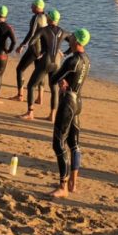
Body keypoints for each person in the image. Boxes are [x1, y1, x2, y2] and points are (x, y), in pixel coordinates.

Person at [48, 29, 91, 199]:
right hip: (78, 101)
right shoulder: (87, 60)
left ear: (76, 41)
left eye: (72, 37)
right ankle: (73, 183)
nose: (69, 37)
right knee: (74, 143)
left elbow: (53, 78)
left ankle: (63, 186)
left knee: (58, 143)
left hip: (68, 103)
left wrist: (59, 80)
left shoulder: (72, 61)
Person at [10, 0, 47, 101]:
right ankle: (40, 97)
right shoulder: (46, 17)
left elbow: (32, 33)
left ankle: (20, 95)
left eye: (32, 5)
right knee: (40, 72)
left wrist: (22, 45)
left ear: (37, 7)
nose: (31, 7)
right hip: (43, 50)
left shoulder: (36, 18)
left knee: (20, 69)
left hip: (34, 48)